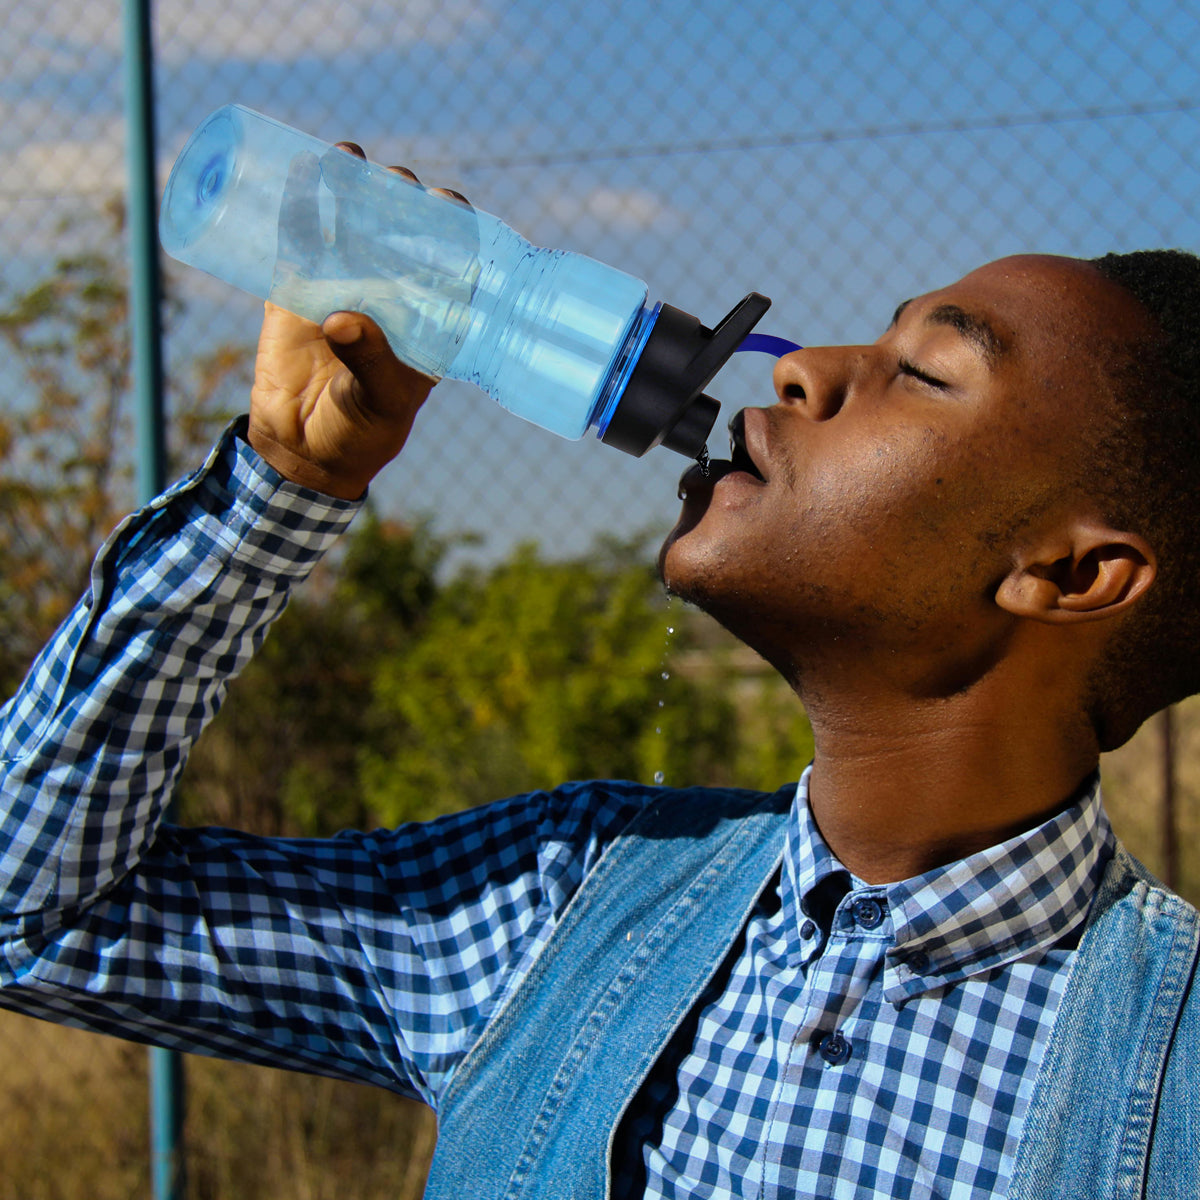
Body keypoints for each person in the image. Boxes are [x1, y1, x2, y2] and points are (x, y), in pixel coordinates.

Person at [2, 151, 1198, 1195]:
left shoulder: (1174, 1069)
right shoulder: (565, 901)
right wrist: (282, 489)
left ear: (1073, 574)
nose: (804, 371)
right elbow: (36, 920)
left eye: (925, 375)